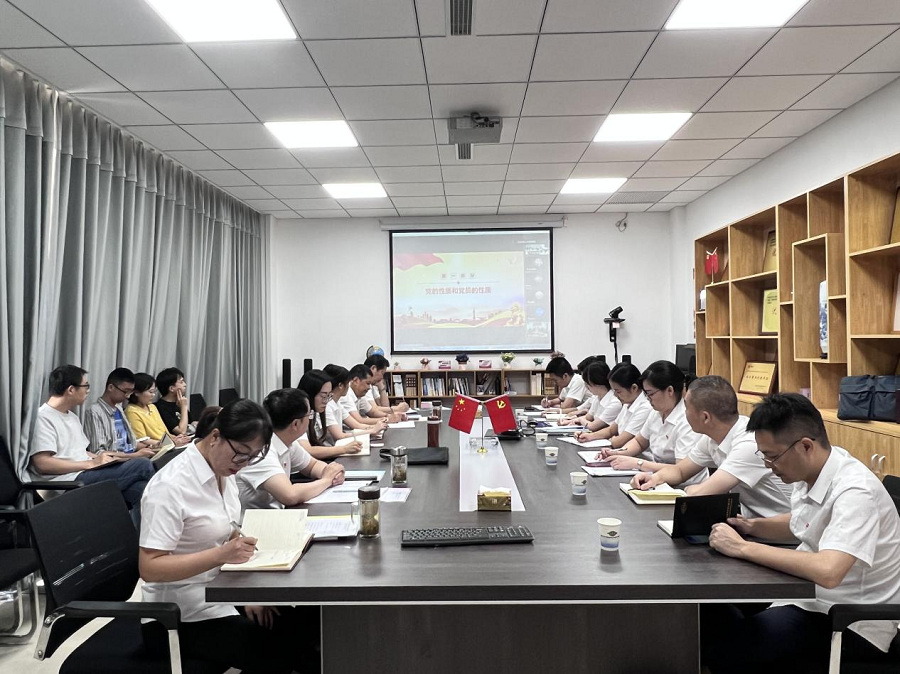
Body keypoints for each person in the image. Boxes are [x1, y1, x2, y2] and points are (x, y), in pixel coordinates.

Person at [702, 393, 900, 674]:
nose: (768, 465)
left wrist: (742, 547)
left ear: (805, 446)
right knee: (709, 611)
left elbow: (829, 571)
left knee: (727, 650)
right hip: (808, 599)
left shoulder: (856, 491)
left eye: (772, 457)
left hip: (848, 621)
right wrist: (751, 526)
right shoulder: (815, 470)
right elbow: (803, 522)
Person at [139, 400, 313, 673]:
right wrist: (222, 555)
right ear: (215, 437)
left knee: (306, 624)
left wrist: (249, 593)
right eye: (241, 454)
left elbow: (226, 530)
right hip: (180, 615)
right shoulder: (170, 487)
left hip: (220, 594)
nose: (243, 465)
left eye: (252, 457)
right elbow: (150, 568)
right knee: (281, 652)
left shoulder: (223, 470)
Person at [631, 376, 791, 518]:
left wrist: (690, 490)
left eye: (686, 408)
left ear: (705, 417)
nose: (684, 413)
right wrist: (654, 479)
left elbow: (700, 494)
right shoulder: (712, 437)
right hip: (751, 522)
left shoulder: (749, 444)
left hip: (782, 529)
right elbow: (680, 471)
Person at [29, 365, 155, 525]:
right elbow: (42, 464)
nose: (88, 391)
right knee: (143, 465)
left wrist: (104, 459)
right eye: (86, 386)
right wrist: (90, 464)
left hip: (85, 472)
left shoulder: (72, 417)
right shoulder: (43, 417)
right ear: (71, 389)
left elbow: (82, 452)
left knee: (143, 490)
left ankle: (141, 539)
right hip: (67, 482)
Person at [238, 388, 346, 510]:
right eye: (309, 414)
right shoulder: (261, 451)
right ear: (295, 424)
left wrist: (333, 473)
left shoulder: (288, 442)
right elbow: (290, 495)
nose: (310, 418)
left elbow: (312, 466)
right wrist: (327, 480)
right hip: (258, 520)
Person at [604, 360, 708, 486]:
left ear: (670, 391)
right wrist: (618, 453)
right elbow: (639, 442)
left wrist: (638, 463)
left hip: (685, 487)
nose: (648, 399)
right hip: (659, 479)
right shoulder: (656, 413)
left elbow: (680, 469)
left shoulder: (687, 420)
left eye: (650, 394)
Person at [575, 362, 652, 448]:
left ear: (634, 388)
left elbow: (619, 442)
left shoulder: (644, 408)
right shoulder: (627, 404)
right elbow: (611, 430)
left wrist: (612, 439)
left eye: (618, 391)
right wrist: (589, 436)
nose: (615, 395)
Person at [84, 367, 156, 455]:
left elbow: (130, 445)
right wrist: (134, 456)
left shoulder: (119, 408)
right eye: (125, 391)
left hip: (131, 457)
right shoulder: (94, 412)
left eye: (130, 392)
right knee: (145, 462)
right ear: (111, 387)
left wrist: (149, 447)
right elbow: (97, 452)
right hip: (116, 461)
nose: (128, 396)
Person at [297, 369, 362, 459]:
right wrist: (343, 449)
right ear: (310, 393)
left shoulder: (314, 412)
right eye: (324, 396)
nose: (326, 401)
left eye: (329, 396)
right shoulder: (297, 415)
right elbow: (308, 450)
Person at [323, 364, 384, 441]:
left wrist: (377, 427)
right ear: (340, 385)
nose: (349, 386)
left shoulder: (337, 403)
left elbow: (357, 425)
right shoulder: (327, 405)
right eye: (347, 383)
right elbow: (340, 436)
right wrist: (372, 430)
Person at [125, 373, 190, 445]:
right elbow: (142, 440)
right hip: (157, 448)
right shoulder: (131, 411)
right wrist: (172, 443)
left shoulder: (152, 407)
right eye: (151, 392)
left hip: (168, 444)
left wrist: (176, 438)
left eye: (154, 391)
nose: (153, 395)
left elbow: (164, 433)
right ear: (136, 393)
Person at [561, 361, 621, 431]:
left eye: (587, 383)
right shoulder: (597, 398)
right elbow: (588, 417)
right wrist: (569, 421)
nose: (586, 387)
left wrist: (580, 420)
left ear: (596, 382)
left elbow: (593, 426)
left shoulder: (614, 402)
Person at [338, 364, 388, 432]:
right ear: (356, 380)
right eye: (367, 383)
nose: (369, 387)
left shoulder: (359, 394)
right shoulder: (345, 395)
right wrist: (386, 419)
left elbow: (372, 412)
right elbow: (359, 421)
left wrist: (387, 416)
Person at [359, 354, 408, 419]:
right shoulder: (363, 386)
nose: (382, 377)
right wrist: (397, 408)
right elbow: (374, 409)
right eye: (382, 373)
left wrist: (382, 388)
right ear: (373, 368)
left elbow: (384, 407)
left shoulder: (372, 386)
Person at [154, 367, 190, 436]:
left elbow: (192, 423)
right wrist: (184, 407)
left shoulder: (178, 403)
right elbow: (181, 431)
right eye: (181, 382)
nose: (185, 384)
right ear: (171, 388)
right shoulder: (160, 407)